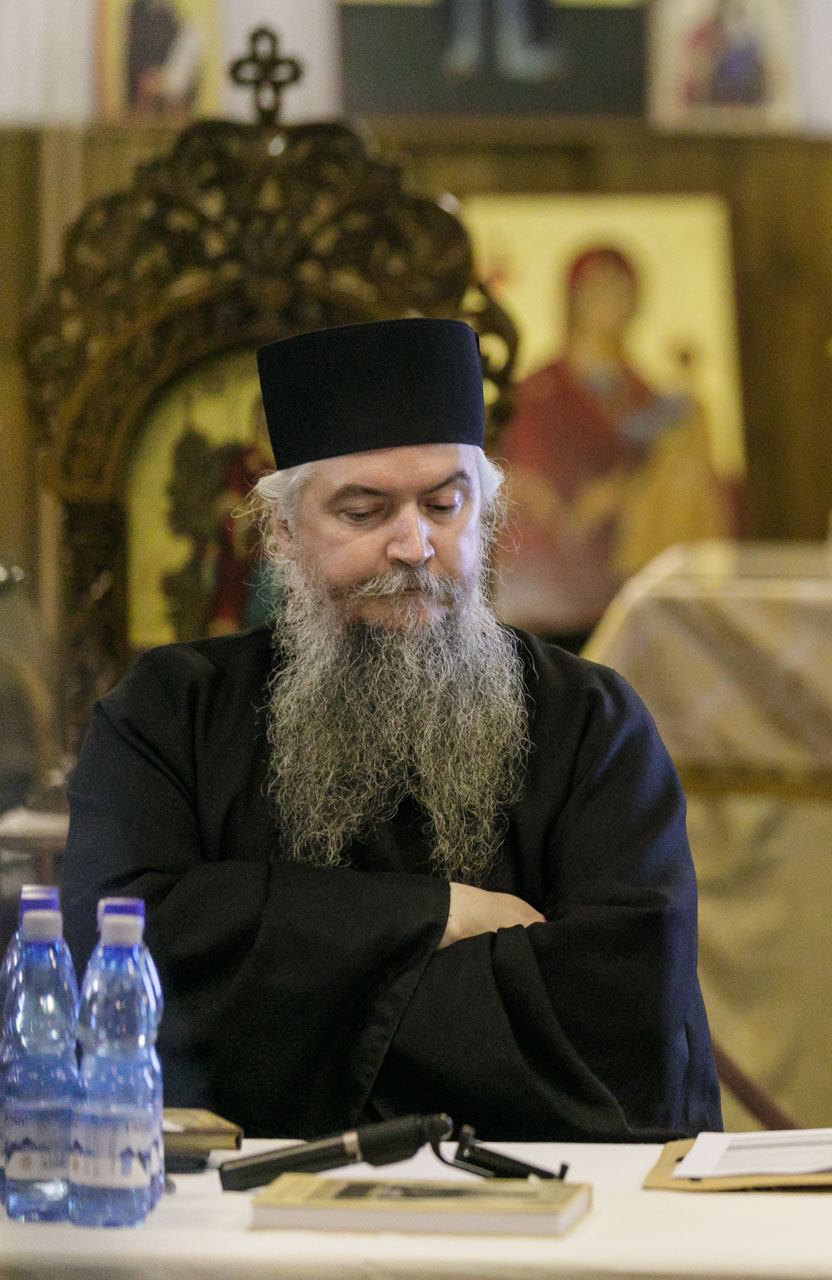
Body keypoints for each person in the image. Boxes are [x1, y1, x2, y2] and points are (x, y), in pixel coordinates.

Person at [61, 318, 722, 1142]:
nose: (414, 546)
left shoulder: (591, 723)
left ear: (484, 515)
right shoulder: (169, 715)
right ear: (285, 532)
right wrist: (437, 914)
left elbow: (623, 1013)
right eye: (364, 511)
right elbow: (116, 963)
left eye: (445, 504)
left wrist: (287, 986)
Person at [495, 246, 729, 642]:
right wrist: (570, 508)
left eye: (620, 289)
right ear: (573, 299)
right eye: (597, 288)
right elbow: (516, 482)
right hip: (553, 602)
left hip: (637, 588)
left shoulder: (649, 396)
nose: (609, 301)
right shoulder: (537, 393)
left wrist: (632, 494)